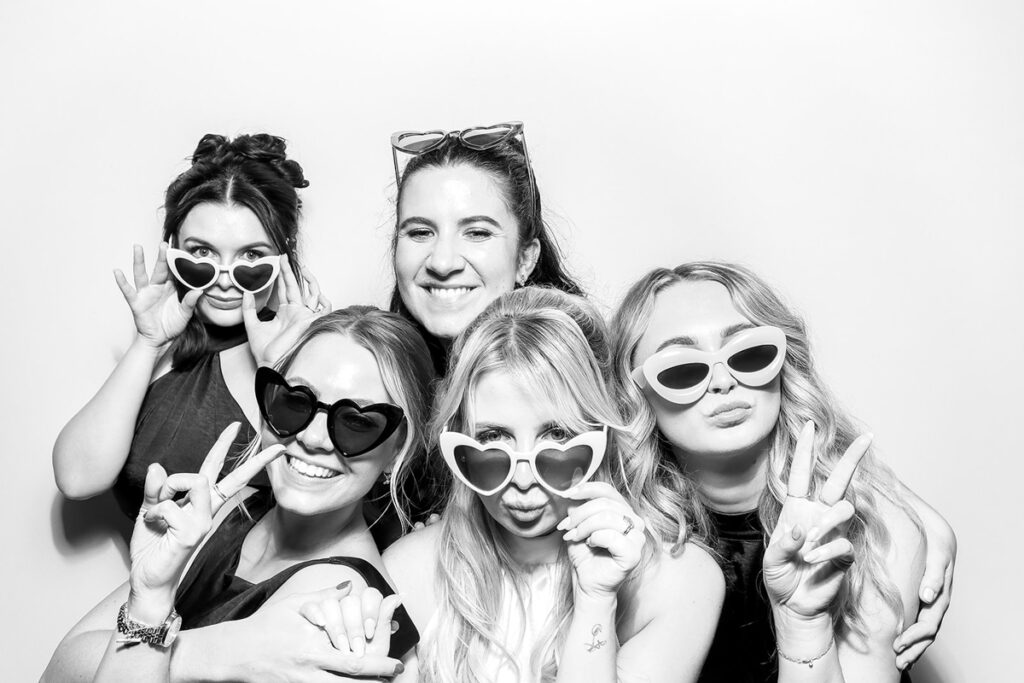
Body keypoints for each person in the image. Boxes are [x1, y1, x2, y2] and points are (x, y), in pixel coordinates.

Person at [609, 262, 957, 681]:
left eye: (749, 353)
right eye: (681, 369)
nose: (722, 381)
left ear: (782, 362)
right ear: (634, 395)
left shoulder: (875, 532)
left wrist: (804, 627)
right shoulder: (616, 540)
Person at [44, 306, 433, 682]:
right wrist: (219, 644)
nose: (312, 438)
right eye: (296, 401)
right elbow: (59, 669)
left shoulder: (344, 606)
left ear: (397, 451)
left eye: (356, 423)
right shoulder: (231, 506)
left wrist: (153, 633)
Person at [382, 287, 724, 682]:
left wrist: (596, 600)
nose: (523, 480)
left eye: (558, 437)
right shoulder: (408, 571)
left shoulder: (679, 581)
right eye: (493, 440)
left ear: (604, 433)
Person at [53, 133, 329, 518]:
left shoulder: (315, 352)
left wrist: (287, 363)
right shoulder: (160, 353)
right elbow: (77, 479)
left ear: (284, 258)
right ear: (174, 250)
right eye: (202, 253)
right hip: (152, 576)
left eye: (251, 255)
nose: (225, 279)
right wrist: (147, 344)